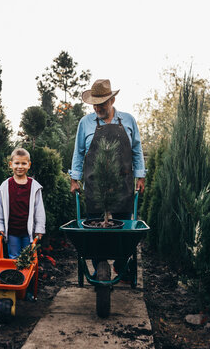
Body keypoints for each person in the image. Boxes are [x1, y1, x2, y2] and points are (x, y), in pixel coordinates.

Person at [68, 79, 146, 279]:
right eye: (94, 103)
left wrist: (140, 176)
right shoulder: (85, 123)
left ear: (111, 100)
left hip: (123, 185)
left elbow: (137, 150)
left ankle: (120, 264)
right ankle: (98, 264)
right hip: (95, 185)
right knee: (94, 230)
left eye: (101, 103)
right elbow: (78, 152)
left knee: (124, 231)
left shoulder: (128, 120)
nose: (97, 108)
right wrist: (74, 179)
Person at [0, 148, 45, 259]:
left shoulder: (34, 186)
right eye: (17, 163)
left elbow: (39, 210)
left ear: (29, 165)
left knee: (28, 259)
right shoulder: (5, 186)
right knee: (14, 258)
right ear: (11, 164)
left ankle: (28, 277)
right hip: (12, 232)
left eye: (23, 163)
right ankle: (17, 276)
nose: (20, 166)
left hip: (28, 231)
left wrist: (39, 229)